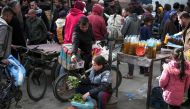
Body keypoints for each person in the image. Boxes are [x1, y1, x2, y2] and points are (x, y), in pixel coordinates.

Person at [121, 8, 141, 79]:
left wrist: (122, 24)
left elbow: (123, 31)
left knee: (129, 57)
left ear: (128, 12)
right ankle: (131, 73)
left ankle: (130, 74)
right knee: (132, 56)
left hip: (128, 40)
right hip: (135, 40)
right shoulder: (138, 19)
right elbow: (139, 30)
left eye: (124, 11)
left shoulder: (128, 19)